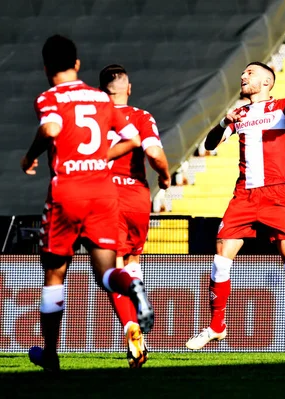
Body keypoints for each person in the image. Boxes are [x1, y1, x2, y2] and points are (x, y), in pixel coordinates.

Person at [20, 35, 154, 373]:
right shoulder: (100, 98)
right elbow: (133, 139)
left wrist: (29, 156)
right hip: (103, 191)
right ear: (77, 64)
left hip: (68, 190)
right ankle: (132, 284)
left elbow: (50, 129)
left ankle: (50, 355)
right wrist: (100, 157)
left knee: (55, 274)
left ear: (46, 66)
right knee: (107, 271)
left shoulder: (50, 96)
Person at [185, 61, 285, 360]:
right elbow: (210, 144)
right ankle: (217, 325)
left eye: (249, 74)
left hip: (277, 195)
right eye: (243, 73)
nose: (242, 77)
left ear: (266, 82)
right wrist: (220, 122)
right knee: (221, 256)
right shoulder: (238, 114)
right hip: (244, 195)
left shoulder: (281, 108)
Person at [98, 64, 171, 368]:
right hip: (137, 196)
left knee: (112, 267)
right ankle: (138, 338)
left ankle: (131, 326)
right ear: (128, 88)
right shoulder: (142, 117)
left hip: (105, 195)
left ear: (103, 90)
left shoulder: (93, 118)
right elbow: (153, 154)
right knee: (133, 262)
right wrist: (165, 178)